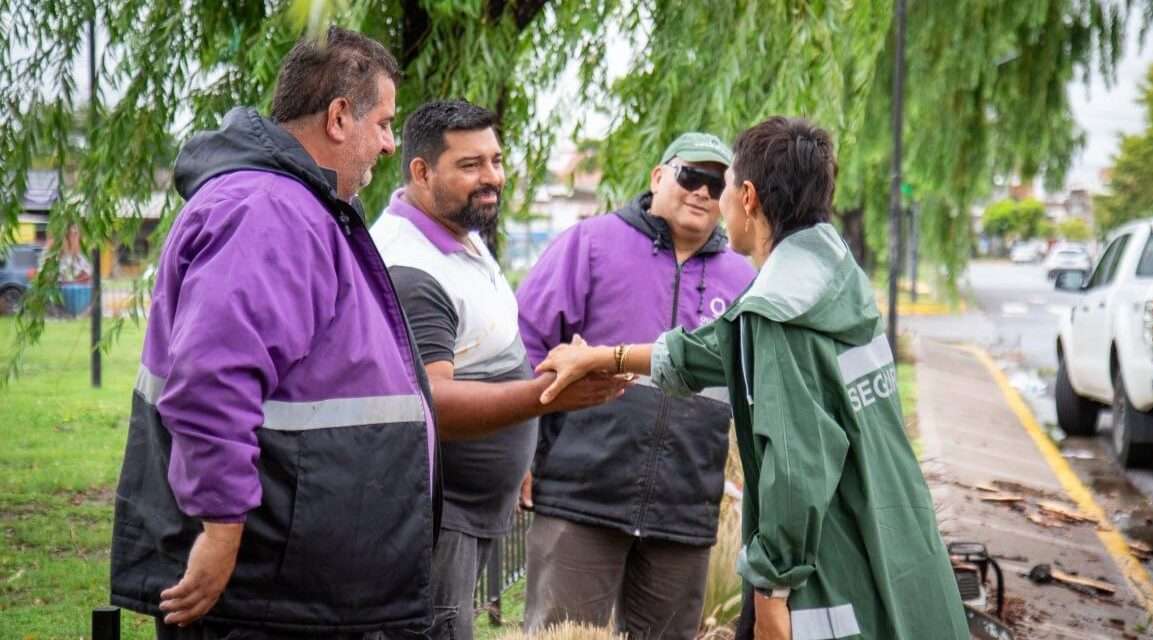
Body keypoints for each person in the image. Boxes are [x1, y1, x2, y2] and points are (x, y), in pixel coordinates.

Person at [536, 117, 970, 640]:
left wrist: (772, 589)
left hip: (832, 556)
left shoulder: (776, 308)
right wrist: (607, 357)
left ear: (747, 196)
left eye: (720, 186)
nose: (709, 199)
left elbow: (795, 465)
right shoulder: (831, 273)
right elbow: (708, 350)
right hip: (894, 525)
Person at [110, 27, 441, 639]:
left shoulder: (295, 205)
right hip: (267, 594)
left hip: (291, 586)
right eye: (385, 123)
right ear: (340, 117)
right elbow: (213, 380)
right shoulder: (271, 209)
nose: (391, 145)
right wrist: (220, 529)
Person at [370, 99, 628, 640]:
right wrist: (547, 398)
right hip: (440, 515)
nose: (492, 179)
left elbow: (488, 354)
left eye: (496, 160)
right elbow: (432, 404)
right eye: (471, 166)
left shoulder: (459, 233)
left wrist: (521, 448)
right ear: (421, 171)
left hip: (472, 507)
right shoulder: (412, 268)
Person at [516, 132, 756, 638]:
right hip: (581, 497)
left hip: (683, 513)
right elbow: (528, 348)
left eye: (716, 185)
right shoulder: (591, 244)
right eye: (690, 176)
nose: (702, 193)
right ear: (658, 177)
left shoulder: (743, 280)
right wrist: (522, 455)